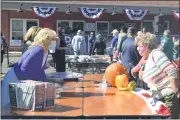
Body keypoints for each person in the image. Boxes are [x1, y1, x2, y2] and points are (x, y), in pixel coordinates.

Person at [1, 28, 57, 107]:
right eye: (53, 39)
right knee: (8, 107)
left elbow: (41, 70)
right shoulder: (38, 50)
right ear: (46, 39)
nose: (55, 41)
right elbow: (24, 69)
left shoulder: (45, 51)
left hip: (20, 80)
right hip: (13, 79)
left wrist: (46, 84)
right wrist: (35, 83)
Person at [137, 32, 179, 119]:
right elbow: (142, 77)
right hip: (159, 97)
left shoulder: (156, 54)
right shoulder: (147, 59)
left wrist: (176, 91)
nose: (137, 48)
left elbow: (171, 70)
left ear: (147, 45)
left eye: (139, 46)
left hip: (168, 97)